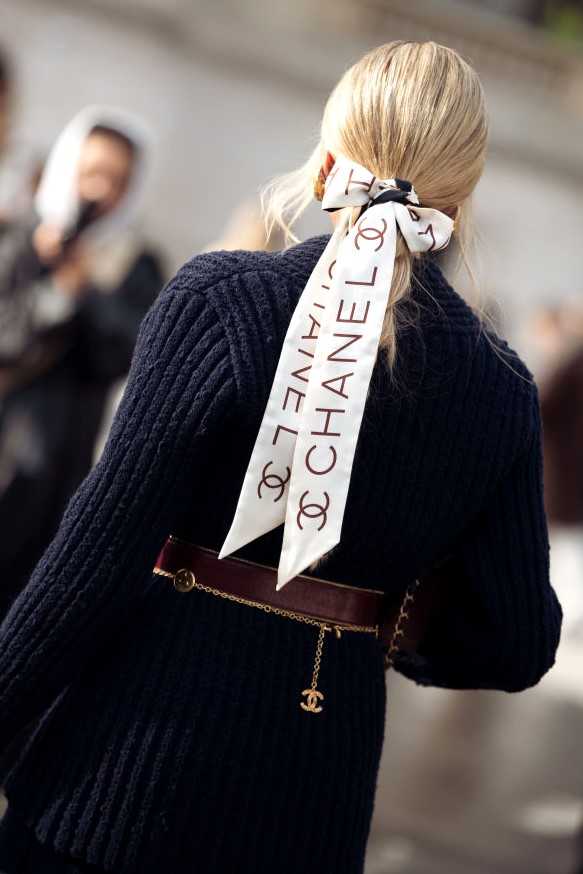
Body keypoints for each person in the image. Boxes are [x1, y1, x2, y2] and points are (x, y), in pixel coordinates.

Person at [0, 41, 561, 873]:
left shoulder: (218, 299)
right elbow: (515, 640)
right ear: (461, 194)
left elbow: (94, 560)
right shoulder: (500, 387)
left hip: (117, 775)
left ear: (329, 157)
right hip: (313, 790)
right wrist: (379, 622)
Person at [0, 105, 164, 618]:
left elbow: (124, 356)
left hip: (61, 464)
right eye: (91, 172)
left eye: (116, 180)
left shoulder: (136, 263)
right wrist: (50, 284)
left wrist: (85, 289)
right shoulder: (20, 236)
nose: (100, 191)